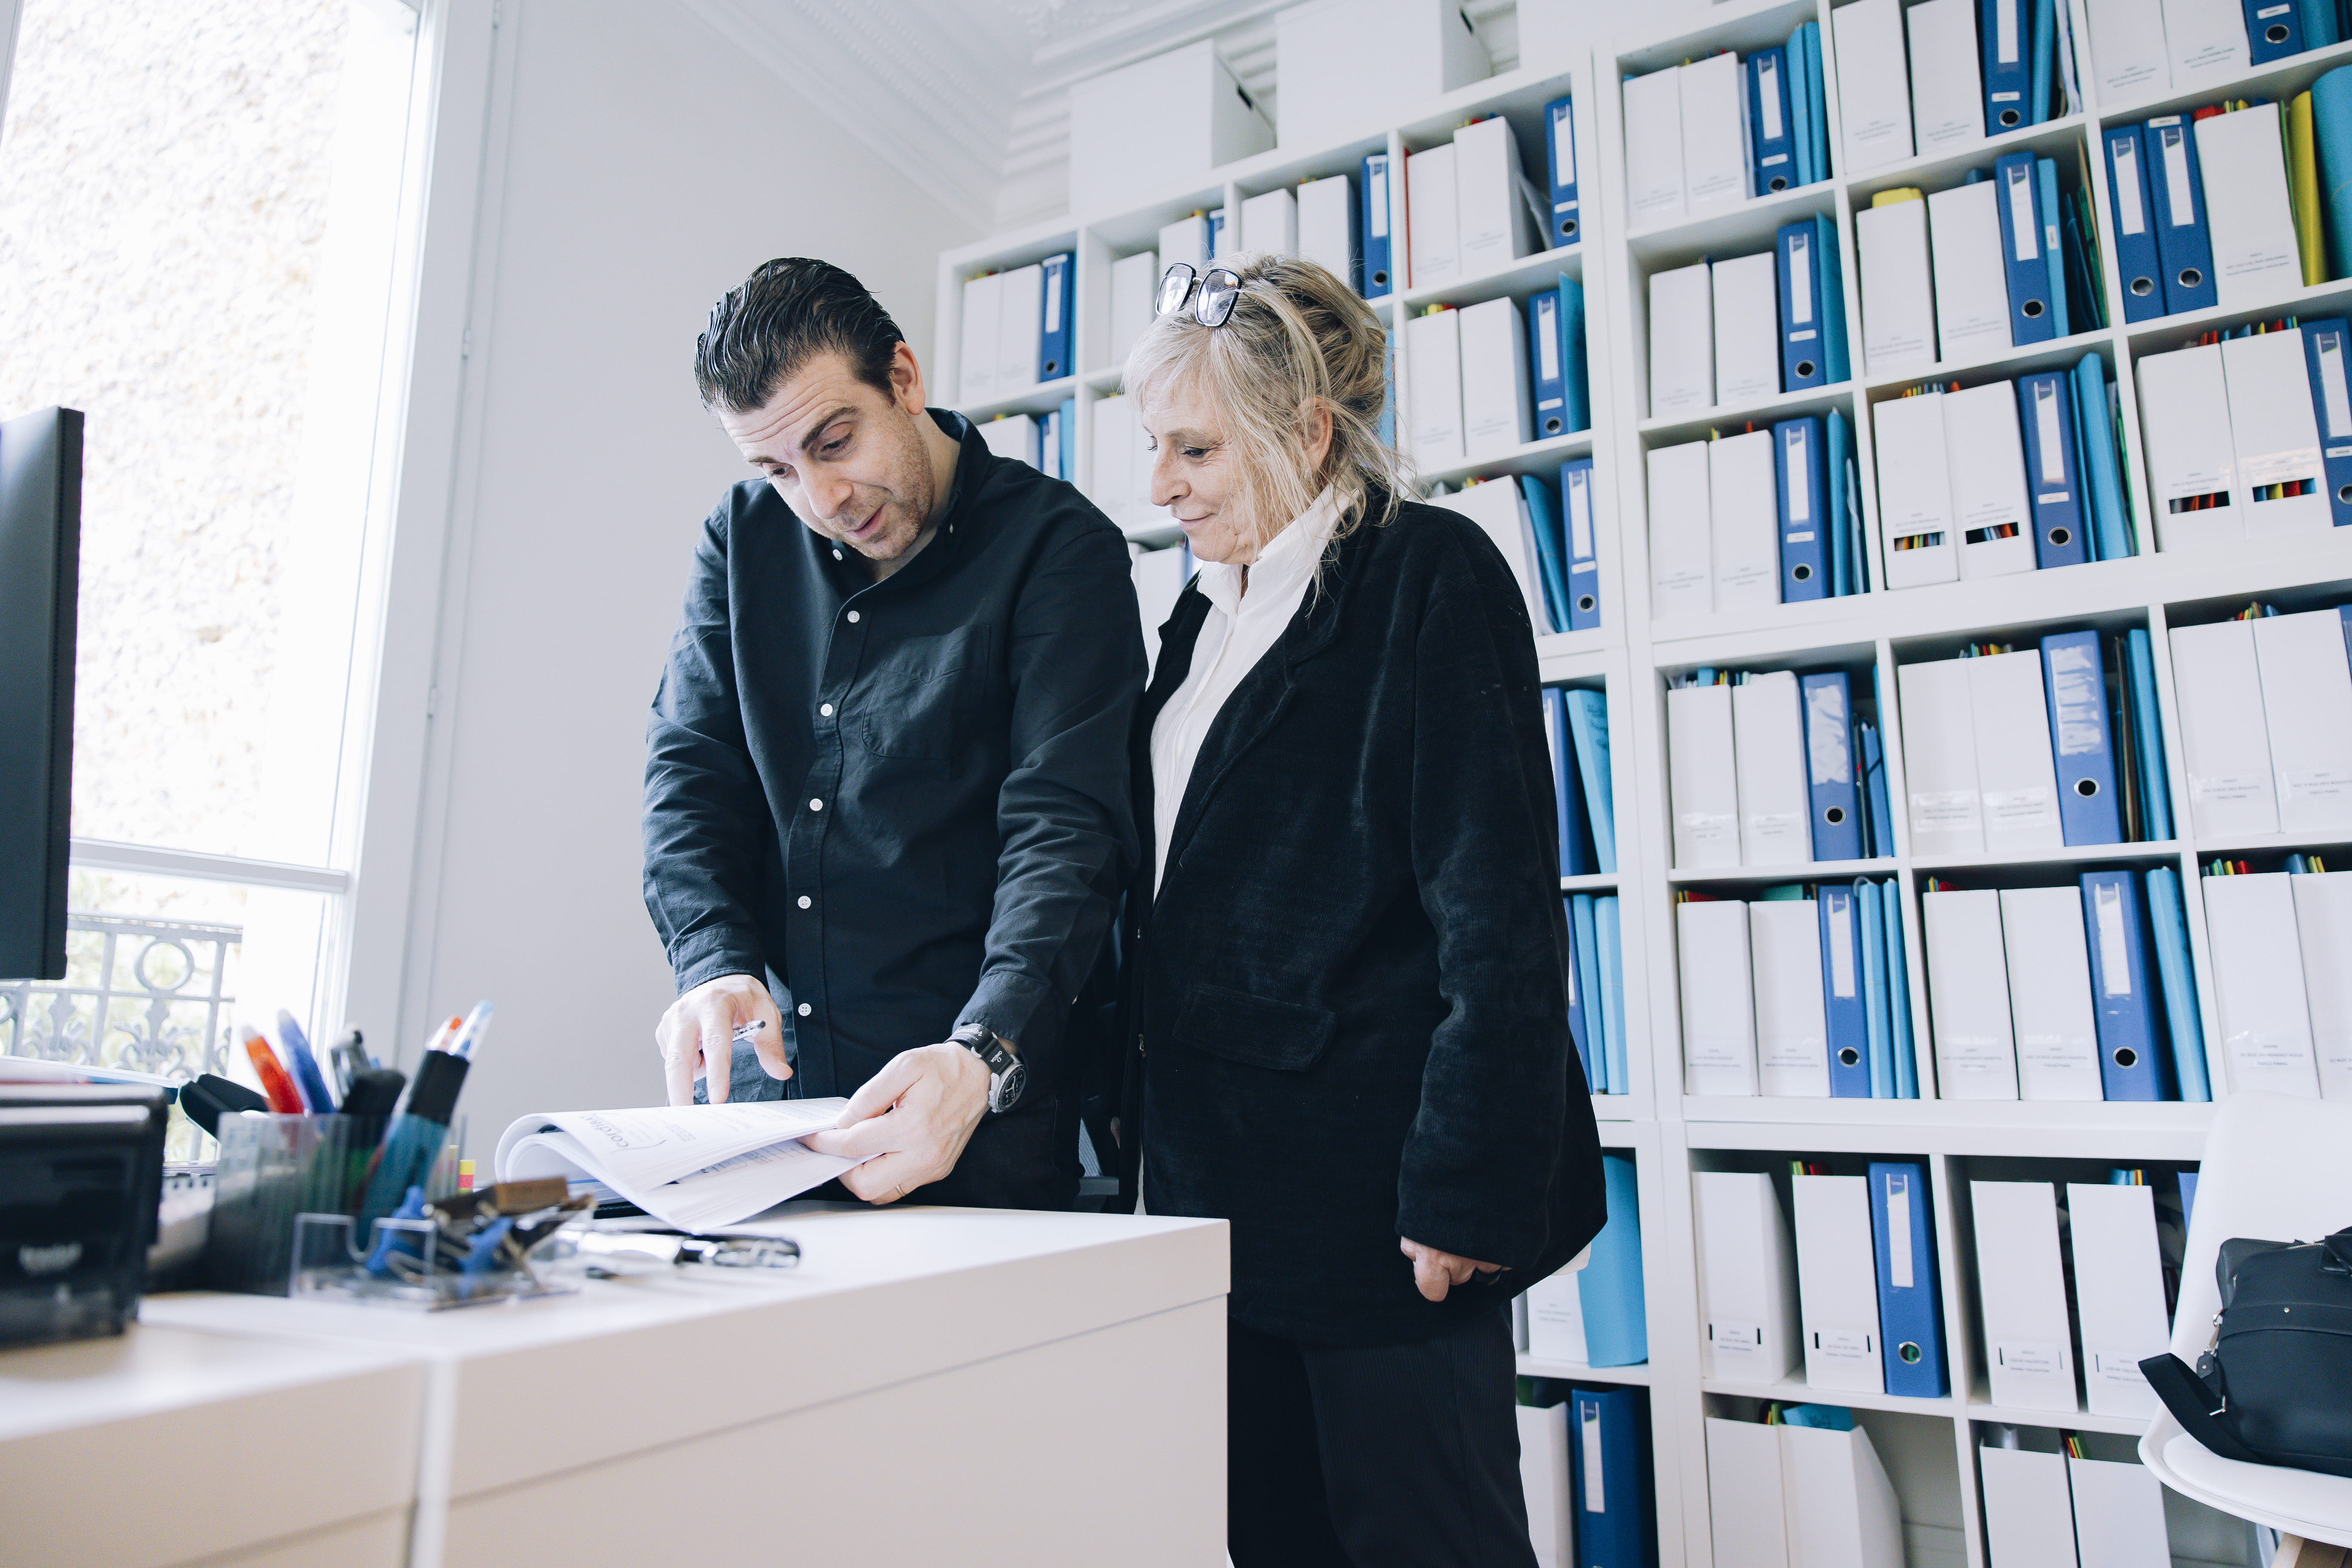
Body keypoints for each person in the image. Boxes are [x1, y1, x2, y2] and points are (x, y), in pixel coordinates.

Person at [1113, 255, 1607, 1566]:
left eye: (1195, 449)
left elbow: (1497, 916)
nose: (1159, 485)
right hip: (1217, 1209)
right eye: (1152, 447)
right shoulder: (1201, 617)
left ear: (1309, 434)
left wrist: (1466, 1191)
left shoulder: (1428, 575)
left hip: (1387, 1217)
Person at [642, 257, 1145, 1210]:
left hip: (963, 1107)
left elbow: (1066, 827)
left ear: (904, 381)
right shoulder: (743, 537)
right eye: (776, 468)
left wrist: (984, 1052)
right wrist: (710, 959)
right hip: (766, 1111)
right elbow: (690, 769)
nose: (820, 498)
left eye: (835, 442)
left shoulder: (1057, 549)